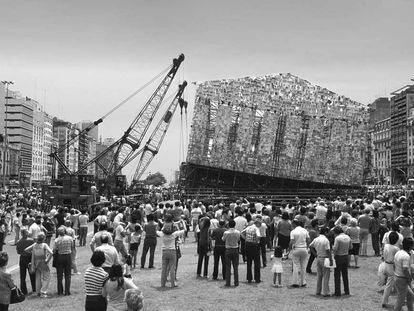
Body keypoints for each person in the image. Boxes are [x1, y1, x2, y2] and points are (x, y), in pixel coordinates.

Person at [157, 220, 184, 288]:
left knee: (164, 268)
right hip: (172, 251)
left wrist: (161, 224)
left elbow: (156, 230)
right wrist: (182, 222)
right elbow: (184, 230)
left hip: (164, 251)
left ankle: (162, 284)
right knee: (172, 268)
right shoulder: (174, 234)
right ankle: (172, 284)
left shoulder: (162, 234)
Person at [25, 232, 53, 298]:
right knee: (46, 277)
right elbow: (51, 253)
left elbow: (26, 250)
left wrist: (32, 253)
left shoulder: (34, 245)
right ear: (43, 238)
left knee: (38, 278)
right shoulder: (44, 245)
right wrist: (47, 260)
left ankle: (38, 292)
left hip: (36, 263)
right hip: (43, 263)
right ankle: (43, 292)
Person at [309, 226, 333, 297]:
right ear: (325, 232)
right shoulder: (326, 240)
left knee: (319, 275)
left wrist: (315, 254)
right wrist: (331, 259)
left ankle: (318, 291)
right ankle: (326, 292)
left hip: (319, 257)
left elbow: (310, 246)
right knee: (326, 275)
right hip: (325, 258)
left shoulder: (316, 239)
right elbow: (328, 250)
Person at [378, 231, 399, 308]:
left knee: (387, 284)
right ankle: (384, 302)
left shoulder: (386, 245)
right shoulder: (396, 248)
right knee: (389, 286)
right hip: (391, 266)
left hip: (384, 264)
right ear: (396, 240)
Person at [393, 237, 414, 311]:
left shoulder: (398, 252)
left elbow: (394, 264)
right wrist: (409, 278)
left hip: (397, 276)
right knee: (400, 300)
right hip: (402, 279)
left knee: (410, 295)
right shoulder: (406, 256)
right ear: (411, 246)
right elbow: (405, 269)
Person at [332, 226, 352, 297]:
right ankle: (347, 290)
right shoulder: (348, 237)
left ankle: (337, 292)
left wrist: (332, 247)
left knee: (337, 275)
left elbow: (335, 248)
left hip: (339, 257)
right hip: (346, 256)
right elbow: (351, 247)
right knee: (345, 275)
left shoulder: (337, 238)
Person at [15, 228, 36, 295]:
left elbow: (18, 252)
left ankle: (24, 290)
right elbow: (34, 249)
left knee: (22, 275)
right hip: (29, 258)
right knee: (32, 274)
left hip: (22, 258)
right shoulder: (31, 240)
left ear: (21, 234)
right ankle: (34, 288)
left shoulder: (18, 242)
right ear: (26, 233)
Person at [289, 219, 310, 288]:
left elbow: (291, 241)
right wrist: (307, 246)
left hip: (296, 248)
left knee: (295, 266)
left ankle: (295, 282)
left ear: (294, 224)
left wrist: (289, 248)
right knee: (303, 266)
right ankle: (303, 282)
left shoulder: (293, 231)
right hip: (304, 248)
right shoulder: (305, 230)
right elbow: (308, 240)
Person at [241, 218, 262, 283]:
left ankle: (249, 278)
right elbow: (258, 236)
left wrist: (246, 239)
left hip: (247, 244)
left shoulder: (248, 227)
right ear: (257, 224)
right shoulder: (256, 229)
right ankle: (257, 278)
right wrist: (256, 241)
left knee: (249, 262)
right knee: (256, 262)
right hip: (254, 245)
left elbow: (241, 233)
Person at [54, 226, 73, 295]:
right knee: (68, 275)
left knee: (59, 275)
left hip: (60, 257)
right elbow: (72, 247)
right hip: (68, 256)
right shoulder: (70, 238)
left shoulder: (56, 240)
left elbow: (54, 250)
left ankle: (60, 291)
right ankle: (67, 291)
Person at [222, 219, 240, 287]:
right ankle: (236, 282)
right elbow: (238, 239)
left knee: (228, 267)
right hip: (235, 249)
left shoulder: (226, 232)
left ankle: (228, 282)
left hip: (228, 249)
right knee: (235, 267)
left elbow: (223, 239)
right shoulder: (238, 232)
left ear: (228, 225)